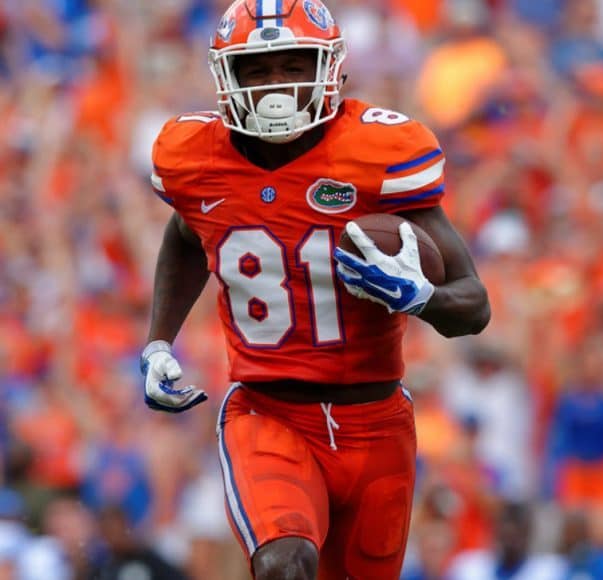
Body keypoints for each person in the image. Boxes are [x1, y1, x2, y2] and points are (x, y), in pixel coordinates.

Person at [139, 1, 490, 579]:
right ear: (227, 78)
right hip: (268, 412)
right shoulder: (195, 158)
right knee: (284, 563)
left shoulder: (379, 154)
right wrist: (158, 341)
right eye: (258, 69)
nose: (276, 86)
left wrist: (418, 297)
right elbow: (186, 231)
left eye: (293, 64)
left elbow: (474, 307)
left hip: (376, 422)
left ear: (329, 67)